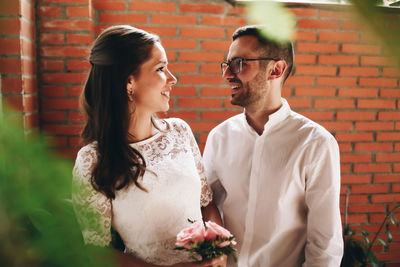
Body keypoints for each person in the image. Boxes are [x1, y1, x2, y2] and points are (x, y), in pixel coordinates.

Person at [72, 25, 226, 267]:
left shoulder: (180, 132)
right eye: (161, 68)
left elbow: (206, 204)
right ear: (129, 82)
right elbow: (97, 253)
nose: (173, 79)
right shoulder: (92, 160)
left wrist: (218, 249)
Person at [203, 25, 343, 267]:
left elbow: (325, 245)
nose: (227, 74)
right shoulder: (219, 137)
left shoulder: (316, 144)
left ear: (276, 69)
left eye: (239, 63)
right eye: (226, 64)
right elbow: (205, 209)